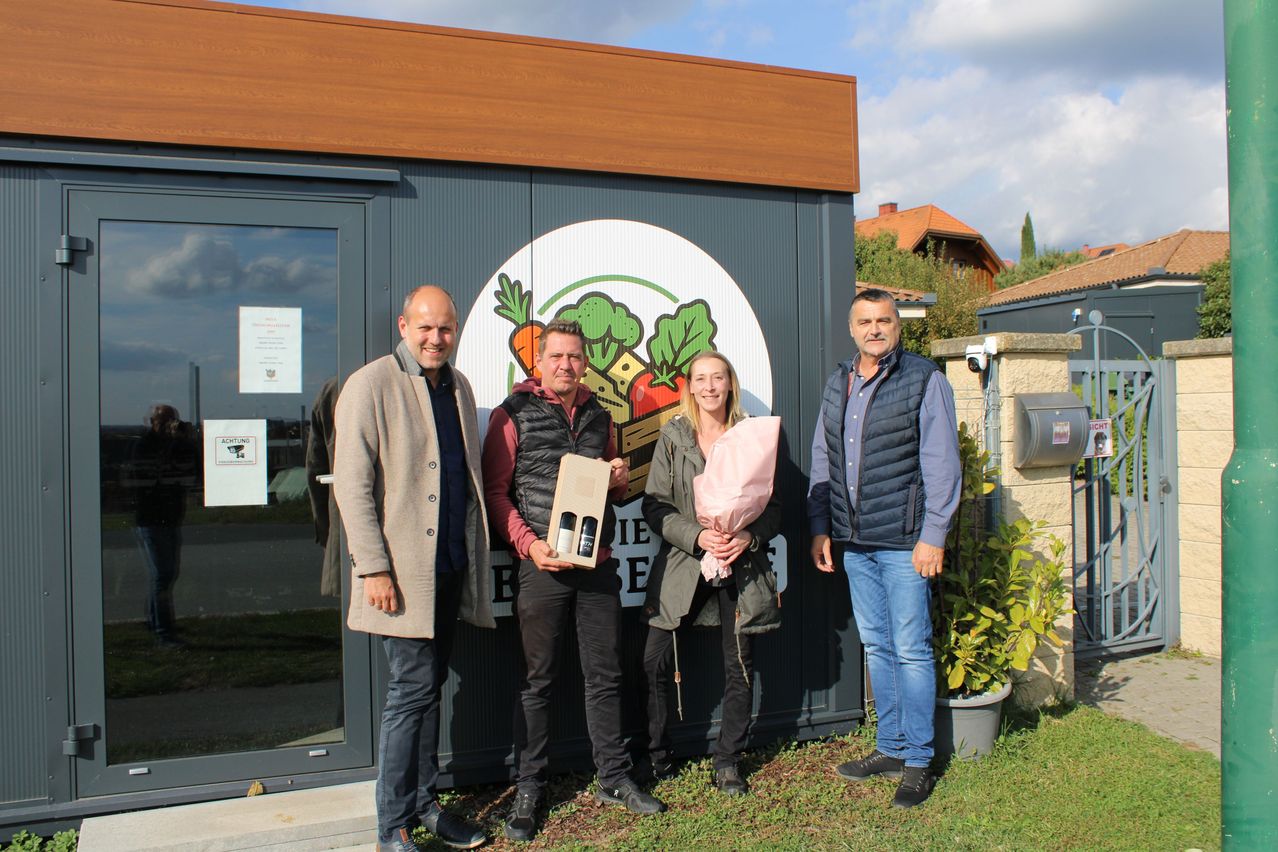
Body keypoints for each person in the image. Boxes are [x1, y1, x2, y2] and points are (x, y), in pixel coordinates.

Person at [482, 318, 666, 842]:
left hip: (597, 563)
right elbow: (496, 493)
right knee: (538, 682)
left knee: (604, 675)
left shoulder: (599, 415)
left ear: (585, 363)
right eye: (557, 356)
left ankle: (613, 776)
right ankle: (529, 788)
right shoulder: (510, 413)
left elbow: (609, 488)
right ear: (539, 361)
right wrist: (531, 546)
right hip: (541, 565)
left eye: (575, 357)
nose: (566, 365)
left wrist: (620, 479)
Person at [334, 285, 494, 852]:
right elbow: (352, 488)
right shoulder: (370, 384)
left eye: (445, 328)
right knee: (410, 692)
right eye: (425, 327)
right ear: (403, 326)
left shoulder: (458, 385)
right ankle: (391, 826)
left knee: (427, 692)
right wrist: (373, 568)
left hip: (446, 569)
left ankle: (425, 806)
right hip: (398, 578)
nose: (435, 338)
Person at [807, 288, 961, 809]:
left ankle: (918, 760)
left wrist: (932, 535)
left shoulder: (924, 380)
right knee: (877, 646)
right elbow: (824, 459)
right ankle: (891, 747)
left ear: (899, 326)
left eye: (884, 321)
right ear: (852, 329)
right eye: (865, 321)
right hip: (854, 542)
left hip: (903, 542)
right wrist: (820, 525)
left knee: (912, 649)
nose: (875, 329)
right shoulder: (839, 383)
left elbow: (941, 463)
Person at [641, 351, 781, 796]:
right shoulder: (673, 436)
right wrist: (698, 537)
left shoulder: (753, 434)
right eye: (700, 379)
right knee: (654, 659)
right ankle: (658, 756)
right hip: (686, 562)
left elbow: (774, 507)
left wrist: (748, 538)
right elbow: (654, 504)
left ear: (730, 383)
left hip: (740, 565)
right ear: (689, 386)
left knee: (739, 664)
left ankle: (728, 761)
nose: (709, 387)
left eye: (717, 377)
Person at [128, 403, 197, 650]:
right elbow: (152, 476)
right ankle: (163, 632)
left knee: (167, 574)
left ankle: (154, 620)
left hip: (171, 517)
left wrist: (185, 442)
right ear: (152, 422)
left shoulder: (178, 446)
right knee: (162, 575)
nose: (167, 425)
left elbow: (192, 471)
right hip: (150, 519)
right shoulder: (144, 445)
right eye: (163, 421)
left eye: (171, 420)